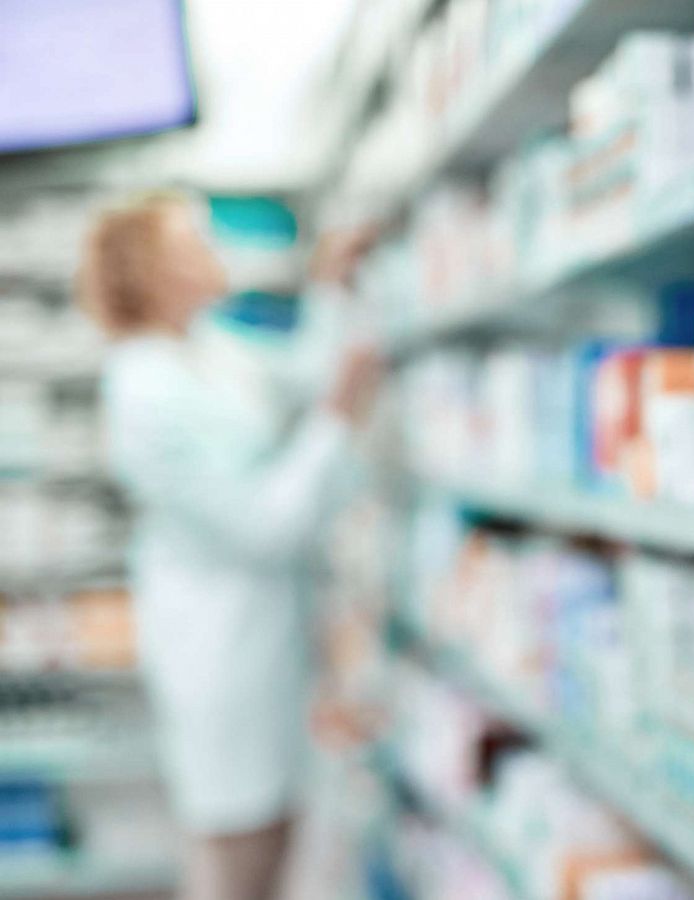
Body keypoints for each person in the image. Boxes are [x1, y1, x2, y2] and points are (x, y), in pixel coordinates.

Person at [75, 192, 382, 900]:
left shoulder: (204, 346)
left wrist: (329, 286)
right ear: (152, 271)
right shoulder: (143, 388)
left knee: (273, 833)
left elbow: (295, 378)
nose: (216, 253)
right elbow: (264, 525)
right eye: (194, 243)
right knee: (236, 855)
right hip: (220, 646)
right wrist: (337, 415)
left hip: (264, 636)